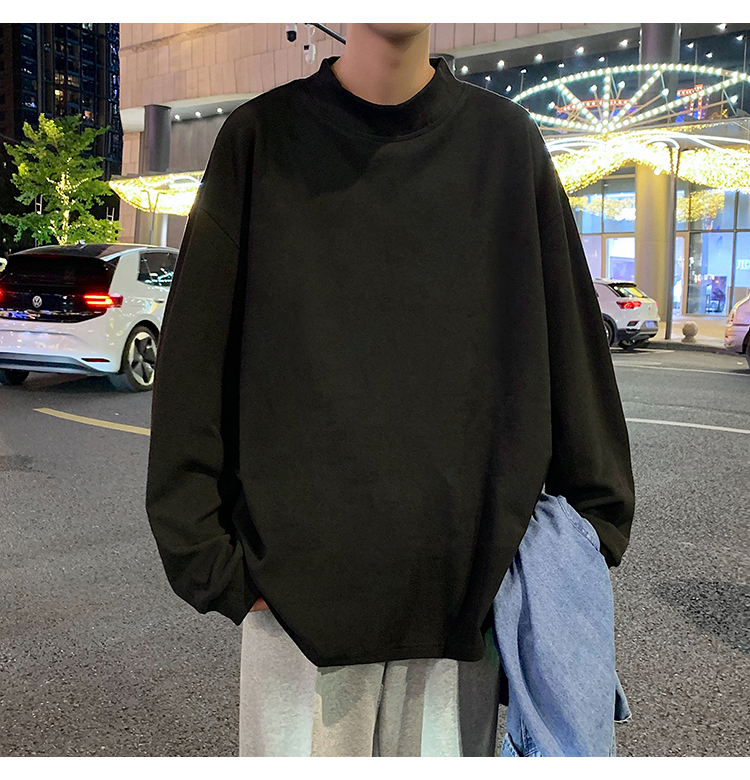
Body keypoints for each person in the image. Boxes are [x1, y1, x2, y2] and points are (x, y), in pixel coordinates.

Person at [145, 22, 635, 757]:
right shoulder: (260, 141)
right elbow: (194, 370)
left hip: (465, 613)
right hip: (294, 620)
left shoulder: (506, 146)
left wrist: (585, 534)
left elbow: (572, 353)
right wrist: (217, 566)